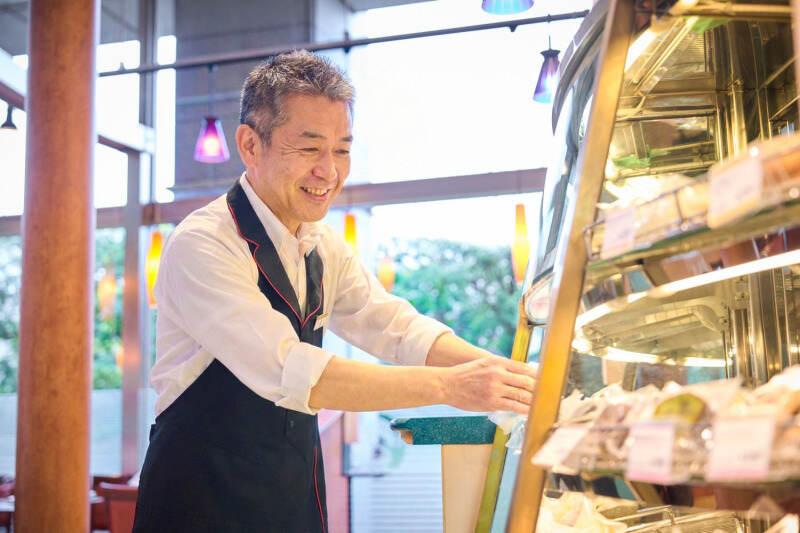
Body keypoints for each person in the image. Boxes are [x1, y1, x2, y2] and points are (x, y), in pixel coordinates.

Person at [132, 50, 537, 533]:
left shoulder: (319, 242)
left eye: (342, 150)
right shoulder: (204, 243)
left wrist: (505, 374)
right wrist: (453, 388)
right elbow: (296, 371)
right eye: (309, 149)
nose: (329, 171)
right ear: (249, 144)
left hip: (290, 489)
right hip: (201, 498)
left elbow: (394, 326)